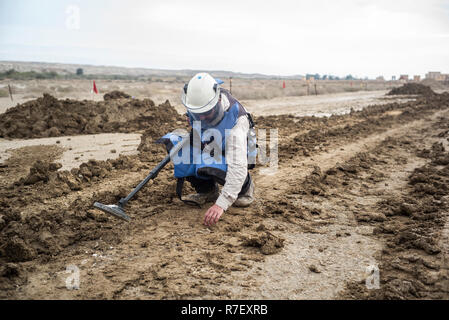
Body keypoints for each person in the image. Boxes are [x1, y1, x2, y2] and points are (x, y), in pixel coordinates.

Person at [159, 72, 256, 226]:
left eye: (206, 113)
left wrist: (221, 204)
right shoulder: (199, 103)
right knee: (176, 145)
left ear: (217, 100)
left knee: (206, 162)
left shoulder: (237, 122)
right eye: (197, 114)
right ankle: (207, 191)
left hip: (235, 157)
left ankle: (245, 188)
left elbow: (238, 166)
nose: (201, 118)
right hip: (211, 144)